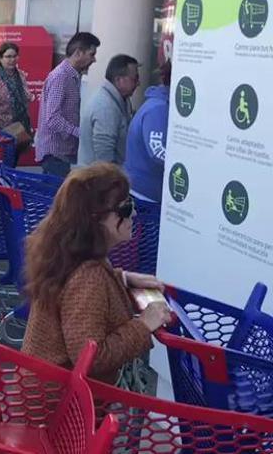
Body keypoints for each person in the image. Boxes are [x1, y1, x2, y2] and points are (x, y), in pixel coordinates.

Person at [21, 163, 172, 384]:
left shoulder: (68, 255)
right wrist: (144, 325)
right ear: (95, 219)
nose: (135, 213)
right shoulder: (88, 277)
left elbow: (72, 294)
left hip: (41, 394)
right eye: (126, 207)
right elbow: (91, 359)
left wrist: (121, 277)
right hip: (61, 409)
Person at [34, 32, 101, 177]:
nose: (94, 60)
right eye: (91, 54)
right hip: (55, 154)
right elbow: (52, 118)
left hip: (62, 153)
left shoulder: (72, 75)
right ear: (78, 53)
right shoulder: (61, 77)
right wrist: (79, 132)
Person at [77, 54, 140, 167]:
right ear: (118, 80)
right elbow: (104, 160)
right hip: (98, 180)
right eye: (135, 79)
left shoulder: (120, 100)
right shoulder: (106, 108)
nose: (138, 83)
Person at [124, 60, 171, 203]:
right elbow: (157, 151)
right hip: (145, 193)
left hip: (142, 189)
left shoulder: (158, 105)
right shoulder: (159, 109)